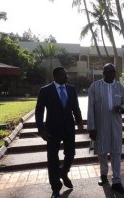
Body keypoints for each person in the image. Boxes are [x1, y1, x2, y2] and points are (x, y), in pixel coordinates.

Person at [35, 66, 83, 198]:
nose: (67, 77)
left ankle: (63, 172)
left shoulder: (71, 89)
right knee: (52, 158)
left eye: (66, 75)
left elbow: (75, 107)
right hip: (52, 129)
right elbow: (39, 111)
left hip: (68, 127)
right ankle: (55, 188)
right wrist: (41, 129)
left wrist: (79, 121)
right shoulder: (45, 90)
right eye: (64, 75)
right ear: (56, 76)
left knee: (71, 153)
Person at [87, 63, 124, 194]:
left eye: (113, 71)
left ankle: (116, 181)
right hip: (100, 125)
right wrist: (91, 127)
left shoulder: (119, 87)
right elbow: (90, 108)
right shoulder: (95, 86)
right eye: (109, 71)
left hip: (115, 125)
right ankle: (103, 174)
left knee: (116, 152)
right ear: (103, 73)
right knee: (102, 151)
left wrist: (121, 108)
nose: (111, 74)